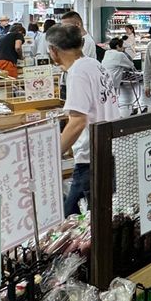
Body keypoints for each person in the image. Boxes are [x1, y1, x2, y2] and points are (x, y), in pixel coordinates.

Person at [47, 23, 118, 217]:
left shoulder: (77, 72)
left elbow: (78, 122)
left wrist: (52, 154)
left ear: (53, 50)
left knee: (73, 215)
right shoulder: (94, 64)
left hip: (90, 156)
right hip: (108, 149)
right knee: (99, 212)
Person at [101, 37, 138, 118]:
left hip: (104, 79)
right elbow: (131, 65)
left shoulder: (107, 52)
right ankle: (115, 116)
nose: (123, 47)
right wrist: (125, 53)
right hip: (113, 81)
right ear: (118, 46)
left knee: (108, 99)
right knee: (113, 98)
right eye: (122, 46)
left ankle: (110, 115)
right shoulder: (120, 54)